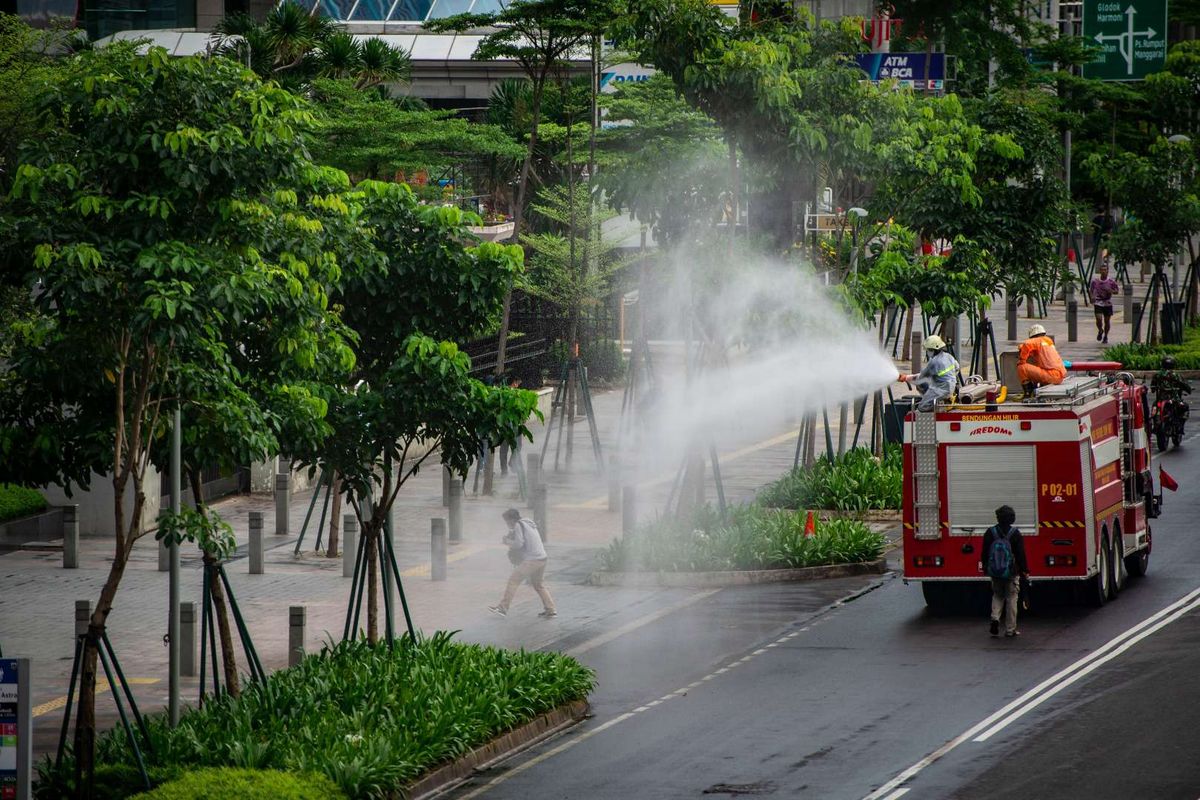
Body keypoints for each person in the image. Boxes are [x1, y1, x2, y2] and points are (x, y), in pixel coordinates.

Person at [490, 508, 557, 618]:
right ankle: (551, 609)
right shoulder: (527, 522)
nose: (507, 524)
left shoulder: (518, 525)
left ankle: (502, 608)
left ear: (512, 520)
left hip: (532, 560)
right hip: (542, 558)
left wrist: (507, 541)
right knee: (539, 585)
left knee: (513, 581)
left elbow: (518, 544)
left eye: (507, 521)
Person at [980, 505, 1029, 638]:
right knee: (1012, 598)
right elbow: (1020, 554)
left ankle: (995, 618)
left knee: (997, 595)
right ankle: (1010, 629)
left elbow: (984, 552)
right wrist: (1024, 570)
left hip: (995, 571)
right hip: (1011, 572)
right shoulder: (1015, 534)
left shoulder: (990, 532)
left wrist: (985, 566)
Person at [898, 334, 959, 412]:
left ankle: (939, 410)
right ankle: (941, 403)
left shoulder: (934, 362)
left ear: (933, 350)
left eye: (928, 350)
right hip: (951, 388)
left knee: (922, 407)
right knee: (927, 386)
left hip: (940, 390)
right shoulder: (949, 356)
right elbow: (957, 368)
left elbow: (920, 378)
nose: (927, 352)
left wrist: (905, 378)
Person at [1017, 324, 1066, 396]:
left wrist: (1022, 360)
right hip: (1059, 376)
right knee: (1036, 367)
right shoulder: (1048, 341)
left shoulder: (1036, 340)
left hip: (1051, 375)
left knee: (1021, 367)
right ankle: (1037, 388)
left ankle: (1028, 393)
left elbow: (1027, 344)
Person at [1089, 264, 1119, 344]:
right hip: (1098, 302)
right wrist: (1092, 297)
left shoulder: (1111, 281)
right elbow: (1091, 290)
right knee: (1098, 319)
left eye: (1105, 270)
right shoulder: (1095, 281)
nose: (1103, 271)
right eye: (1102, 270)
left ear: (1107, 271)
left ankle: (1105, 336)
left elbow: (1116, 291)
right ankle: (1100, 330)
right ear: (1100, 271)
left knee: (1107, 321)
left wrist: (1111, 291)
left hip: (1107, 303)